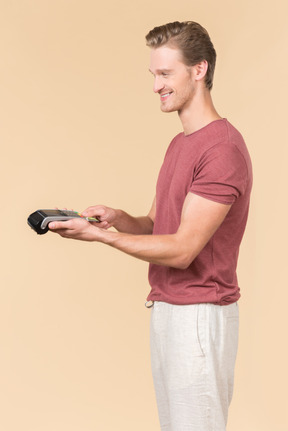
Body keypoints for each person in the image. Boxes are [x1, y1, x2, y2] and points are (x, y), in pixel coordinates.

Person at [49, 21, 252, 431]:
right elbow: (158, 225)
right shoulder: (181, 144)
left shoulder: (222, 149)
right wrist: (118, 220)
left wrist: (102, 238)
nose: (156, 85)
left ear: (199, 69)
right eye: (153, 75)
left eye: (165, 74)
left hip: (199, 314)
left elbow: (181, 250)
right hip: (169, 310)